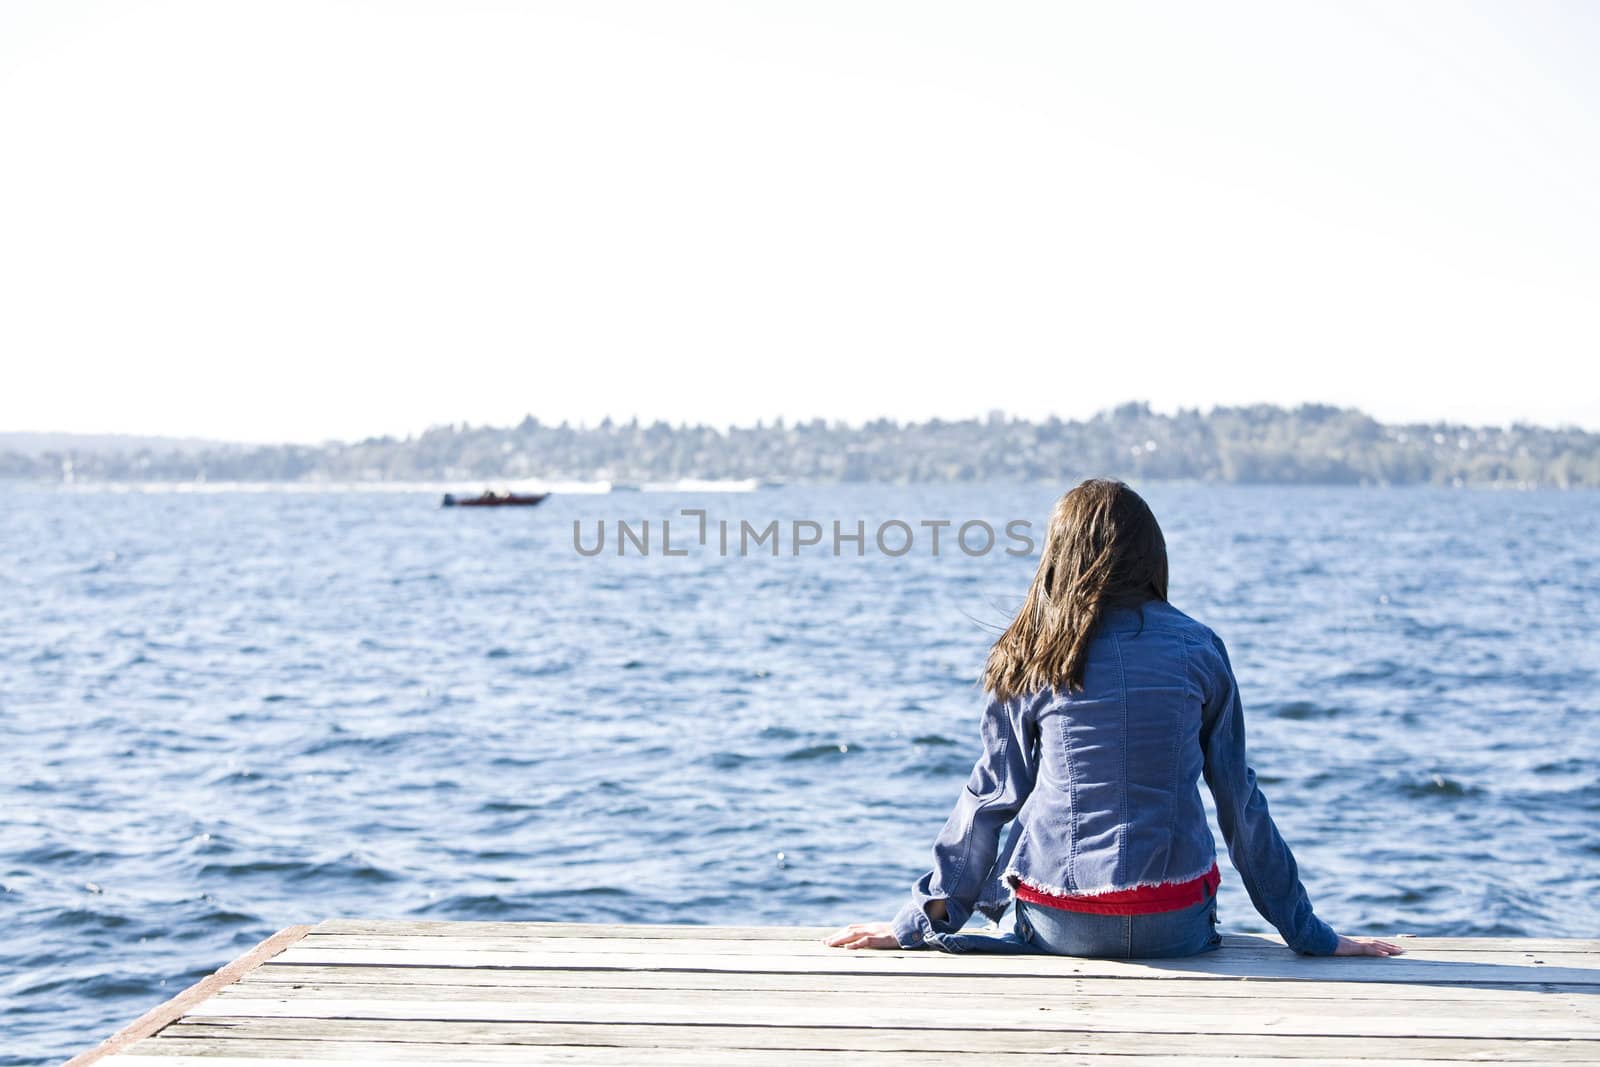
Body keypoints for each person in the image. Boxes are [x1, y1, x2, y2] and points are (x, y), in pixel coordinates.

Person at [823, 478, 1403, 959]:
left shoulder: (1033, 652)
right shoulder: (1200, 647)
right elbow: (1239, 804)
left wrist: (911, 927)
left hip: (1062, 925)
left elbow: (987, 803)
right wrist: (1311, 935)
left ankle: (968, 920)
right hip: (1175, 926)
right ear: (1153, 556)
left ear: (1058, 558)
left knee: (1027, 815)